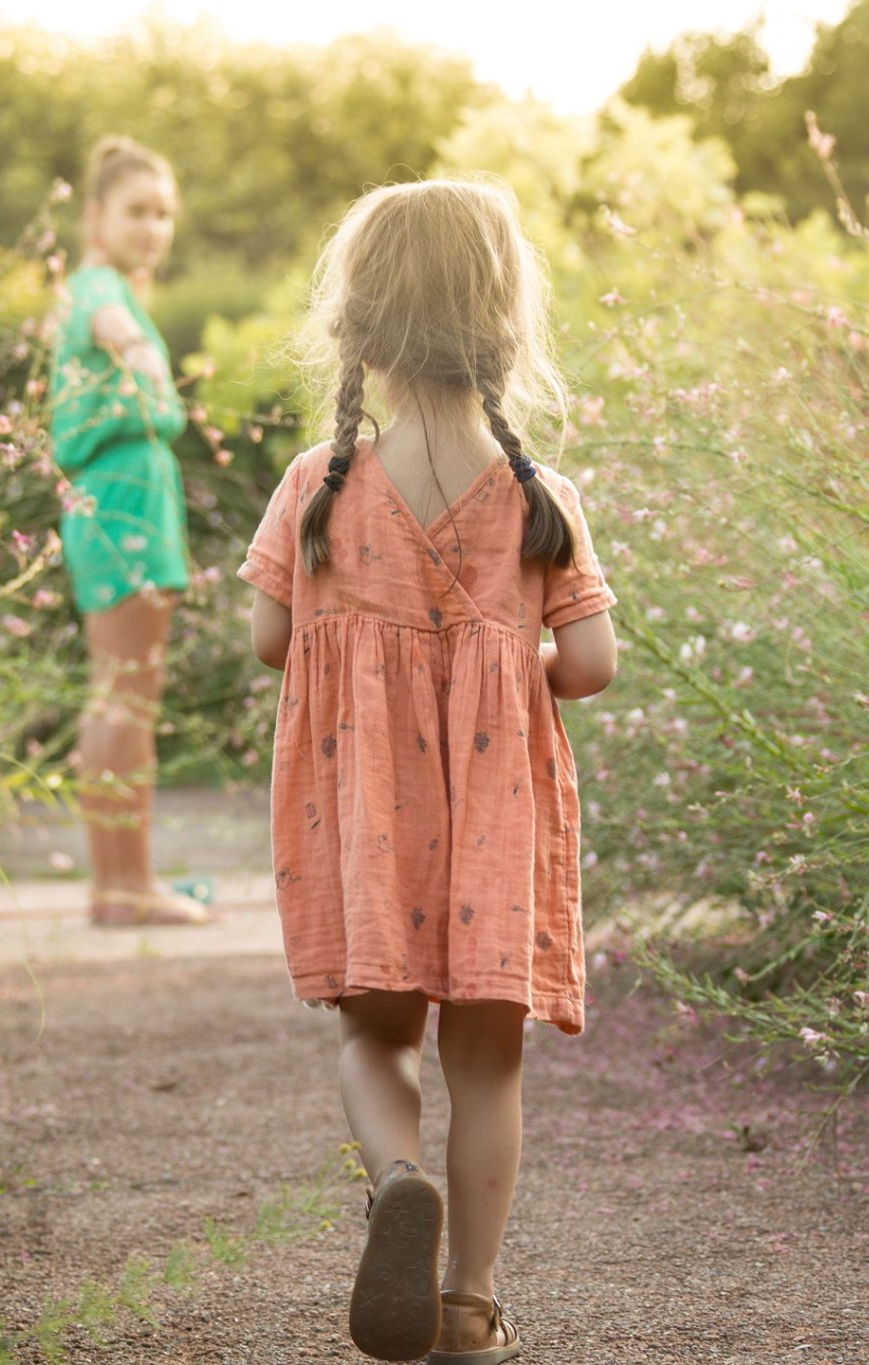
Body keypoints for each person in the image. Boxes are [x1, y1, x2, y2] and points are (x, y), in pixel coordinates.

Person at [238, 178, 619, 1364]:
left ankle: (397, 1177)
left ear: (359, 326)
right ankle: (467, 1302)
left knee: (375, 1038)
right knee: (486, 1058)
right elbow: (594, 662)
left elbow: (267, 638)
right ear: (502, 323)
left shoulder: (320, 483)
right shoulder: (537, 497)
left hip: (369, 823)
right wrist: (505, 674)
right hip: (496, 820)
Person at [49, 136, 212, 927]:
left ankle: (119, 885)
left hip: (123, 501)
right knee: (127, 699)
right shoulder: (98, 287)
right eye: (137, 211)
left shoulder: (101, 284)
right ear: (96, 216)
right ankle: (127, 888)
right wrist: (142, 350)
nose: (153, 227)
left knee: (121, 696)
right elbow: (111, 323)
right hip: (121, 506)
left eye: (164, 213)